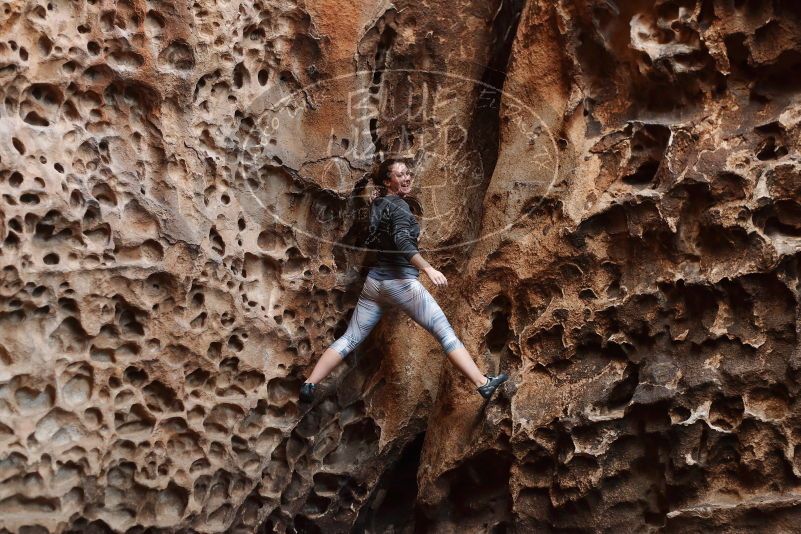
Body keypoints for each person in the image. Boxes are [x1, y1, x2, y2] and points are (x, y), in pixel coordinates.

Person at [299, 158, 508, 404]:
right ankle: (483, 383)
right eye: (400, 175)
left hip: (375, 285)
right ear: (388, 181)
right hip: (401, 283)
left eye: (408, 173)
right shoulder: (399, 206)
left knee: (351, 337)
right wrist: (428, 269)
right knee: (444, 333)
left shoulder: (378, 203)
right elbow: (402, 242)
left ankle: (310, 383)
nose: (407, 177)